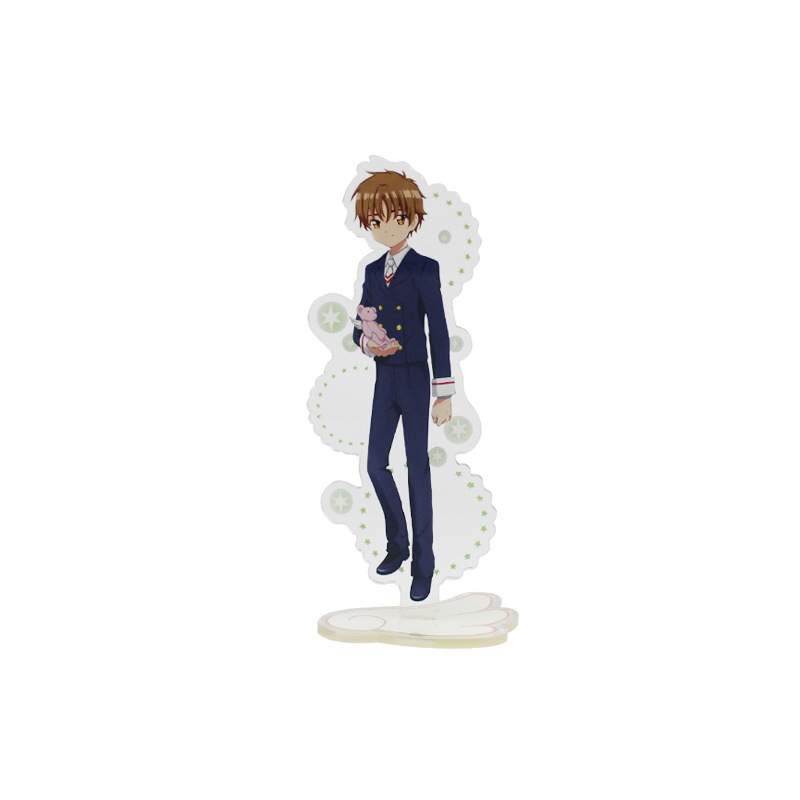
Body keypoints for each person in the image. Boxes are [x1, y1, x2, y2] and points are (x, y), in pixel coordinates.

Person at [351, 170, 454, 602]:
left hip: (414, 376)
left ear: (411, 219)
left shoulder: (425, 268)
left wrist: (443, 392)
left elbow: (439, 331)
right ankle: (398, 544)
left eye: (395, 218)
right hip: (385, 376)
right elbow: (359, 325)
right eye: (377, 221)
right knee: (375, 464)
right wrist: (367, 344)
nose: (387, 228)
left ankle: (423, 566)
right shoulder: (373, 270)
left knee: (417, 470)